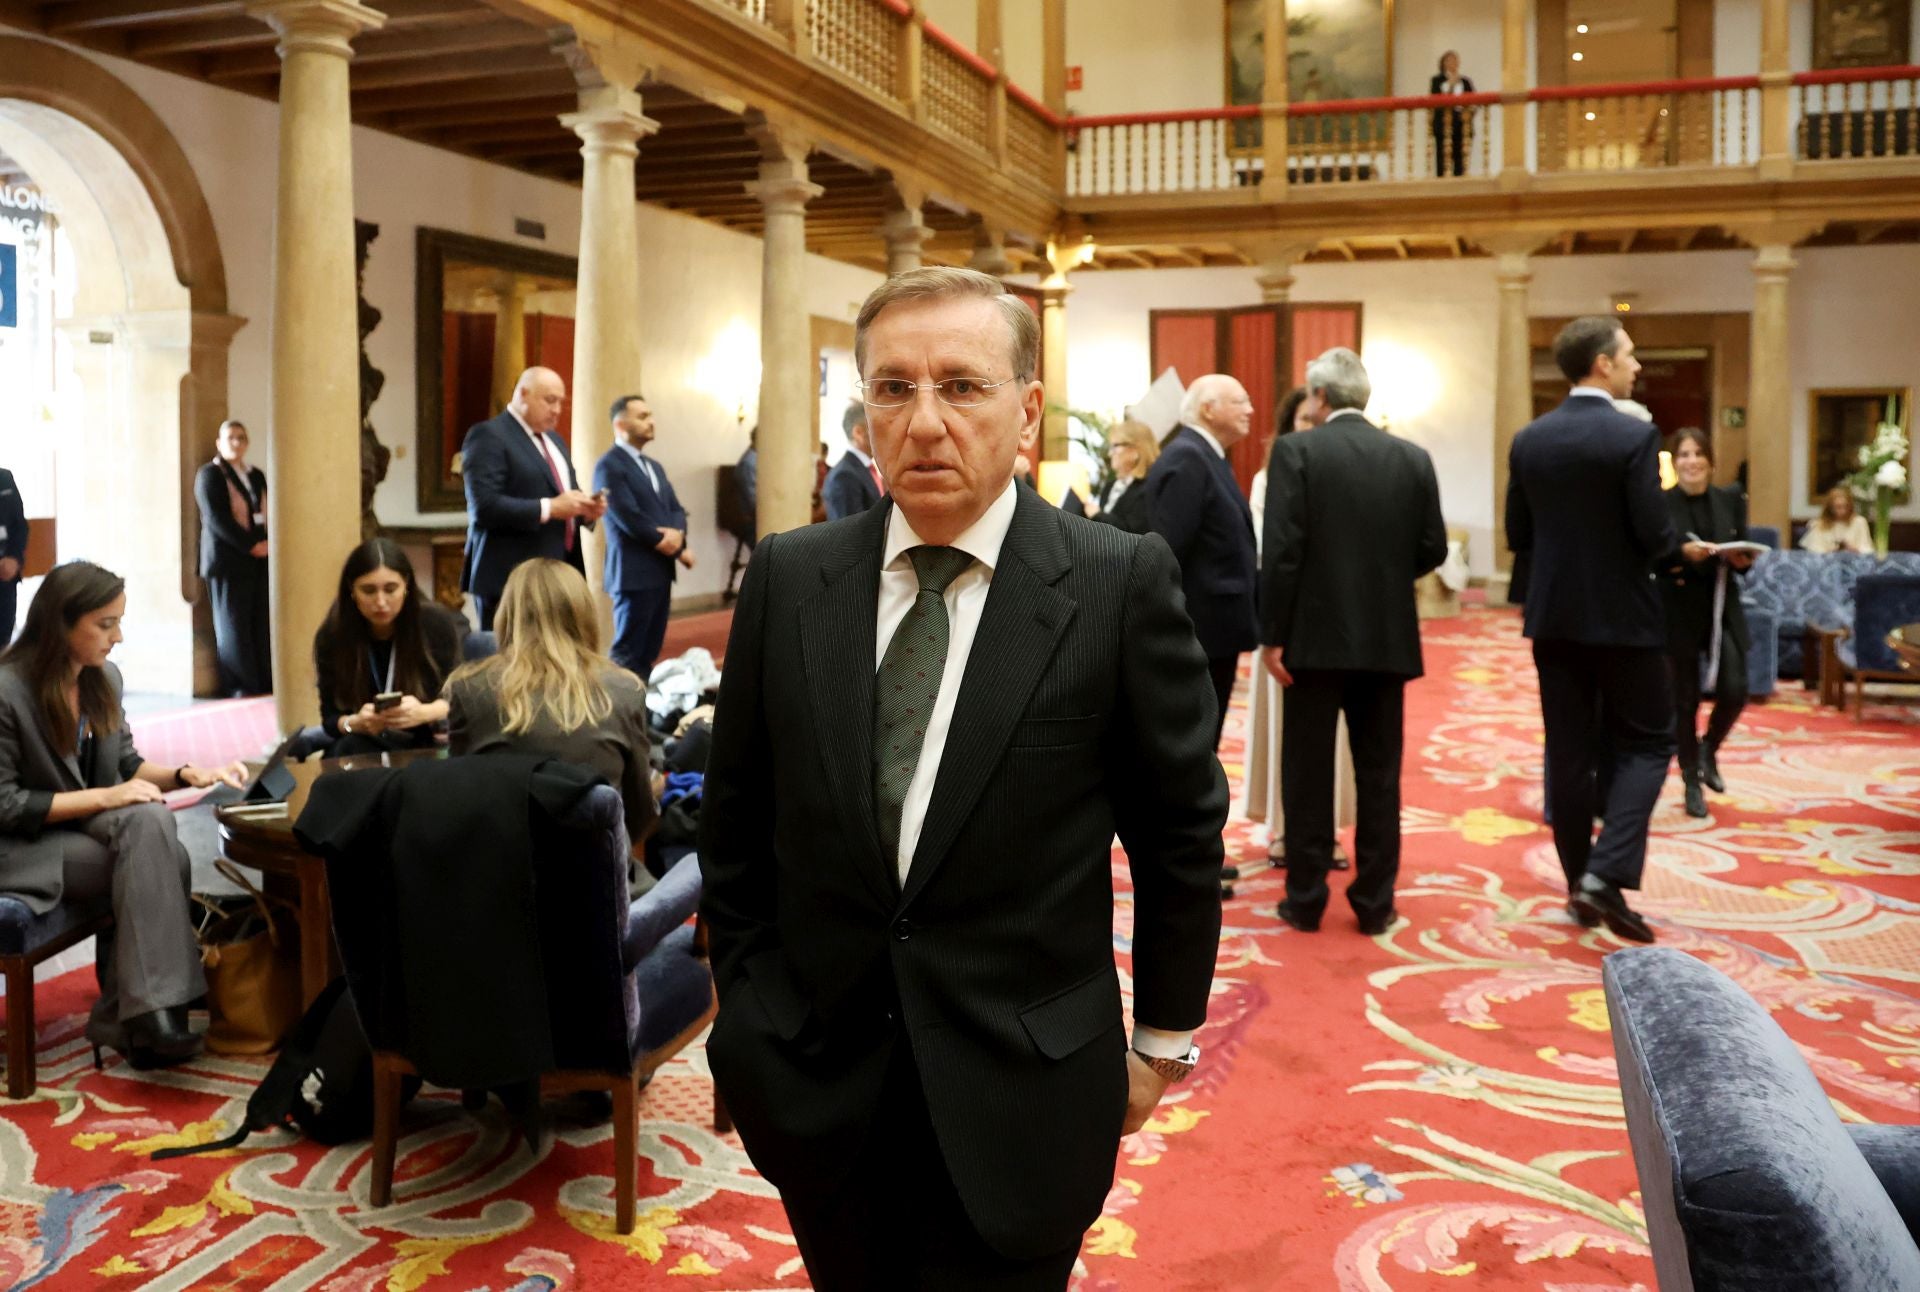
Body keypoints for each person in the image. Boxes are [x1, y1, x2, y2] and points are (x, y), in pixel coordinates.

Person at [699, 266, 1225, 1290]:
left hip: (1025, 1089)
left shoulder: (1116, 581)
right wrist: (753, 1019)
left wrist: (1160, 1045)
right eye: (893, 389)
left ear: (1027, 410)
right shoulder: (793, 575)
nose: (925, 421)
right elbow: (736, 826)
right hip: (820, 1081)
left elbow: (1179, 836)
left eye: (962, 386)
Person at [0, 562, 246, 1068]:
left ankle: (143, 1012)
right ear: (60, 623)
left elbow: (127, 765)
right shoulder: (7, 690)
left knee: (150, 825)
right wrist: (106, 798)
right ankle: (141, 1015)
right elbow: (5, 805)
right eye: (106, 624)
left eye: (119, 622)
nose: (119, 637)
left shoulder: (102, 677)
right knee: (164, 851)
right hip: (23, 847)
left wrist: (184, 774)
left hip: (87, 834)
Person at [1507, 317, 1682, 944]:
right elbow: (1654, 535)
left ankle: (1579, 887)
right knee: (1650, 742)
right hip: (1625, 619)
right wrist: (1682, 550)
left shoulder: (1530, 439)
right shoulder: (1631, 436)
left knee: (1569, 751)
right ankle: (1605, 874)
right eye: (1630, 355)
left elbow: (1518, 536)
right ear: (1603, 365)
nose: (1637, 365)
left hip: (1553, 617)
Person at [1261, 350, 1447, 935]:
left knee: (1308, 773)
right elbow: (1433, 549)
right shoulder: (1412, 458)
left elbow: (1283, 553)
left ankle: (1307, 897)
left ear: (1318, 398)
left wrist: (1272, 636)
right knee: (1380, 773)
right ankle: (1374, 902)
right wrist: (1387, 577)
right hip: (1387, 639)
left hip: (1311, 642)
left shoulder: (1297, 452)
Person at [446, 558, 655, 871]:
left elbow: (460, 801)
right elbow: (641, 816)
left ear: (508, 615)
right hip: (600, 892)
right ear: (584, 613)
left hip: (500, 887)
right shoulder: (624, 690)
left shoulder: (468, 689)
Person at [1246, 387, 1354, 871]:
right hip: (1285, 618)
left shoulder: (1351, 473)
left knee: (1337, 735)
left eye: (1316, 420)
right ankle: (1286, 829)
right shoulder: (1268, 478)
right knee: (1286, 733)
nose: (1310, 428)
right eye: (1302, 421)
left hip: (1340, 619)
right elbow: (1268, 554)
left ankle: (1327, 831)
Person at [1145, 372, 1259, 752]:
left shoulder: (1205, 455)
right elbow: (1167, 552)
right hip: (1198, 632)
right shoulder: (1188, 457)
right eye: (1240, 401)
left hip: (1214, 630)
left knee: (1204, 744)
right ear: (1208, 409)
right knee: (1193, 745)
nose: (1251, 409)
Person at [459, 366, 605, 632]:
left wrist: (585, 511)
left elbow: (566, 494)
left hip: (559, 574)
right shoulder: (489, 435)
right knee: (512, 664)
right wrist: (551, 508)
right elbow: (485, 506)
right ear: (523, 394)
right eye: (550, 400)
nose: (558, 409)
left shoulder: (555, 441)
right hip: (512, 578)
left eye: (561, 402)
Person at [1663, 428, 1756, 818]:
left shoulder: (1730, 498)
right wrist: (1682, 554)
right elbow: (1650, 554)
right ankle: (1689, 781)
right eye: (1683, 454)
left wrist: (1741, 559)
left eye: (1699, 454)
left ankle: (1708, 750)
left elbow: (1745, 548)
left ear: (1711, 462)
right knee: (1684, 701)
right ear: (1674, 462)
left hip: (1722, 606)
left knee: (1736, 688)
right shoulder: (1660, 503)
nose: (1691, 461)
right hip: (1678, 608)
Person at [313, 539, 465, 758]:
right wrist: (355, 723)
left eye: (390, 589)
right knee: (345, 754)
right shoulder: (333, 635)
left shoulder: (435, 623)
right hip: (362, 743)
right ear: (352, 591)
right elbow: (330, 718)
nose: (381, 602)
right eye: (368, 591)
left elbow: (460, 700)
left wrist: (423, 713)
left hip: (424, 740)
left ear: (406, 586)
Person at [593, 394, 692, 679]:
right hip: (633, 571)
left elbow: (675, 508)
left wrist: (678, 535)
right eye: (642, 416)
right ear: (621, 424)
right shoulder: (609, 465)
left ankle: (642, 714)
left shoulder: (654, 466)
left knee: (649, 650)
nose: (651, 422)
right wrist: (666, 542)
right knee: (628, 652)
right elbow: (626, 515)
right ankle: (620, 713)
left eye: (650, 415)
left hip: (660, 570)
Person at [193, 419, 271, 696]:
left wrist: (266, 544)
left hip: (260, 559)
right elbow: (216, 518)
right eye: (230, 438)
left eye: (241, 437)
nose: (236, 443)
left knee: (259, 622)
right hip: (228, 561)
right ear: (219, 443)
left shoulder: (256, 475)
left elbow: (266, 510)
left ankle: (263, 680)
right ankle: (240, 684)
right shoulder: (209, 475)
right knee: (233, 625)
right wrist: (251, 545)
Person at [1061, 419, 1156, 534]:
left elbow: (1133, 533)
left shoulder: (1149, 489)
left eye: (1115, 446)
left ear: (1135, 450)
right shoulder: (1110, 486)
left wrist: (1098, 515)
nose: (1110, 454)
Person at [823, 401, 885, 520]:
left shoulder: (863, 468)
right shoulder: (845, 475)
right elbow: (849, 531)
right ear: (858, 433)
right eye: (877, 427)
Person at [1429, 51, 1475, 176]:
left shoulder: (1465, 81)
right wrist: (1451, 85)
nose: (1452, 63)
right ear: (1443, 63)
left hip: (1461, 124)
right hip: (1444, 125)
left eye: (1455, 60)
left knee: (1461, 161)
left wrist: (1468, 113)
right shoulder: (1437, 81)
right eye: (1449, 60)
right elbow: (1436, 101)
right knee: (1443, 161)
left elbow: (1474, 101)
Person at [1800, 484, 1875, 554]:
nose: (1843, 511)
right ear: (1830, 508)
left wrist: (1854, 549)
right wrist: (1829, 552)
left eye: (1845, 506)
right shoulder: (1819, 524)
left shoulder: (1859, 522)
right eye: (1838, 507)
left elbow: (1868, 549)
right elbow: (1813, 551)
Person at [0, 468, 26, 646]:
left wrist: (15, 559)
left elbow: (20, 526)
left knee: (3, 640)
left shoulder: (5, 478)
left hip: (5, 579)